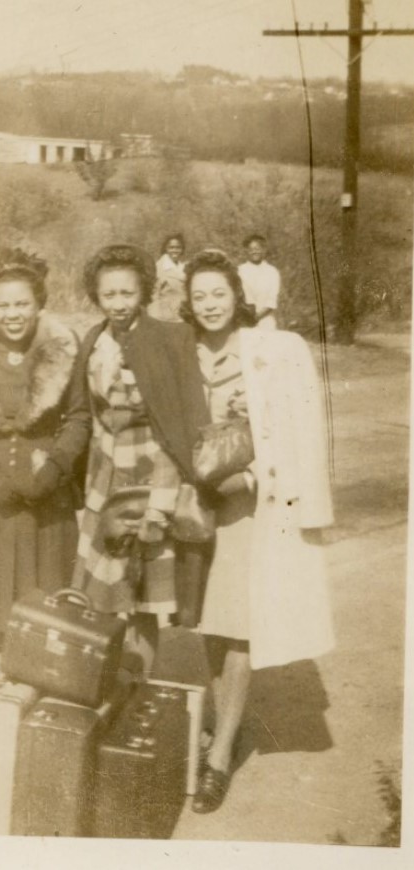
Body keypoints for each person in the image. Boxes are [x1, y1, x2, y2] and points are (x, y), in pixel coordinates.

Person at [181, 248, 335, 813]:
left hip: (248, 504)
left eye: (218, 294)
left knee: (240, 624)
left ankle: (220, 754)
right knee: (209, 628)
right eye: (199, 297)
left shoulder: (269, 351)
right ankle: (227, 723)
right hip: (197, 507)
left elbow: (293, 423)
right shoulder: (185, 351)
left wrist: (249, 474)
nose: (210, 305)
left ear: (237, 297)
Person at [69, 244, 210, 676]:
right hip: (106, 476)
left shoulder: (170, 338)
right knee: (105, 595)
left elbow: (185, 420)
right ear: (97, 297)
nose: (118, 304)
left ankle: (138, 688)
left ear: (143, 292)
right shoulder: (93, 341)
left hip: (153, 476)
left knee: (145, 600)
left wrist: (166, 498)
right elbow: (83, 411)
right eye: (108, 295)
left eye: (126, 294)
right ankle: (106, 686)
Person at [0, 248, 86, 663]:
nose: (13, 313)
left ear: (39, 302)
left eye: (22, 303)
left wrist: (56, 466)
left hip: (45, 494)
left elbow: (78, 418)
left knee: (48, 609)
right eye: (3, 305)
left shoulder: (63, 347)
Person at [237, 234, 281, 330]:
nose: (254, 251)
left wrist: (256, 318)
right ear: (246, 251)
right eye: (251, 249)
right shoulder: (239, 271)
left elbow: (272, 301)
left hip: (266, 320)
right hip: (243, 321)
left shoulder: (272, 271)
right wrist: (245, 318)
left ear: (263, 250)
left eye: (257, 248)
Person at [149, 232, 188, 321]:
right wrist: (155, 319)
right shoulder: (159, 268)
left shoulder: (184, 268)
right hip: (165, 317)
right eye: (171, 247)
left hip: (183, 316)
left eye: (178, 247)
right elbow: (153, 296)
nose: (175, 250)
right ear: (166, 249)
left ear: (182, 249)